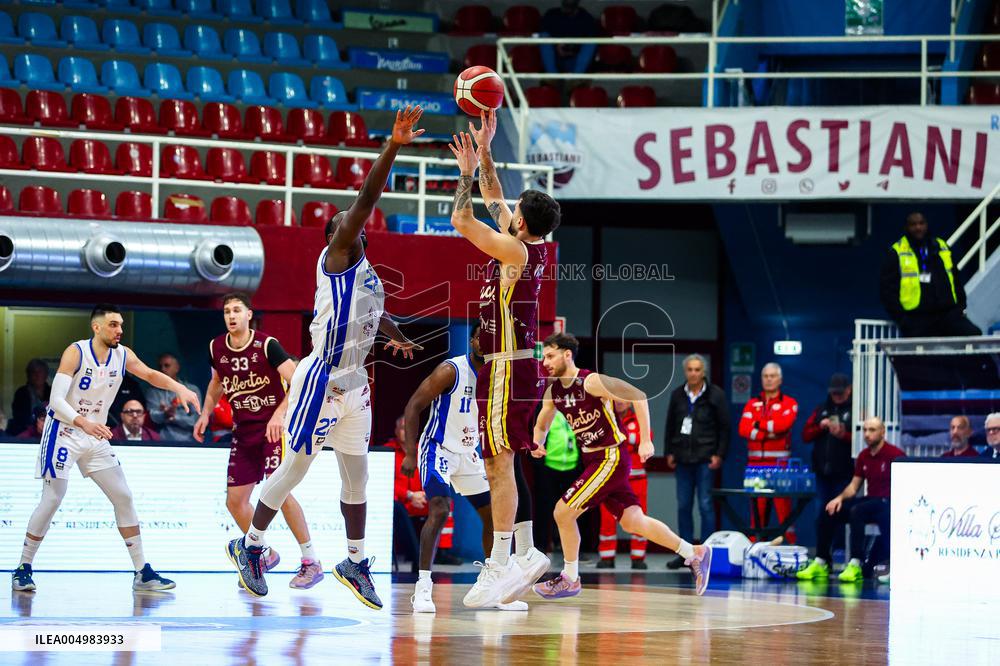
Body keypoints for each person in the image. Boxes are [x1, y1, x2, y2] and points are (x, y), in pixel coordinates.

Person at [226, 106, 425, 608]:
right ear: (337, 235)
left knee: (357, 477)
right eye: (343, 221)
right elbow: (367, 198)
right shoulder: (335, 258)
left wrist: (397, 335)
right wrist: (394, 144)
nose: (351, 221)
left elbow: (375, 316)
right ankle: (250, 547)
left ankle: (355, 561)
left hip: (356, 385)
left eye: (352, 222)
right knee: (294, 469)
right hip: (320, 378)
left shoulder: (368, 272)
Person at [449, 111, 562, 608]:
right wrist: (488, 150)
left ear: (521, 223)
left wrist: (466, 174)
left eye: (513, 210)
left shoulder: (514, 252)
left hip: (506, 368)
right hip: (515, 366)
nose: (507, 208)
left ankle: (499, 565)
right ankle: (526, 552)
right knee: (505, 463)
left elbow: (462, 218)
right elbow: (497, 200)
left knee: (497, 464)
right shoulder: (528, 244)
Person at [11, 303, 200, 593]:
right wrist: (84, 423)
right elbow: (56, 401)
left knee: (123, 496)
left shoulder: (123, 355)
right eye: (113, 324)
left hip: (94, 436)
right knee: (52, 498)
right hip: (64, 431)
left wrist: (180, 389)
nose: (119, 330)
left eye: (121, 325)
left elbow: (150, 374)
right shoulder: (76, 352)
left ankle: (142, 572)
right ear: (96, 327)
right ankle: (23, 567)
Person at [530, 333, 712, 599]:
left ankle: (570, 577)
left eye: (550, 355)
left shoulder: (591, 381)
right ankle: (693, 552)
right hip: (592, 459)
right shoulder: (553, 391)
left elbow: (638, 395)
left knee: (562, 512)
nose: (545, 361)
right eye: (543, 356)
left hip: (610, 457)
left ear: (567, 355)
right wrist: (537, 442)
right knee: (633, 521)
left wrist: (646, 441)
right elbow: (542, 423)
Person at [195, 292, 323, 589]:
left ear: (249, 314)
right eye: (227, 311)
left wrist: (279, 415)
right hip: (244, 430)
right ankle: (263, 554)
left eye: (237, 310)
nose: (231, 315)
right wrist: (205, 412)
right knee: (235, 501)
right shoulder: (216, 347)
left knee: (279, 492)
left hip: (274, 429)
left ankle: (311, 561)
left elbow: (298, 382)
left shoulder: (267, 344)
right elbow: (217, 382)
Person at [401, 323, 527, 613]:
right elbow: (413, 406)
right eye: (480, 338)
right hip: (438, 448)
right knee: (440, 508)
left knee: (496, 518)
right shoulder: (451, 370)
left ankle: (494, 589)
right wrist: (409, 453)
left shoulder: (497, 375)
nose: (485, 343)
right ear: (471, 341)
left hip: (471, 453)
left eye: (491, 340)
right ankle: (422, 588)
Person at [797, 417, 905, 582]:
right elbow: (854, 486)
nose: (867, 434)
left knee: (857, 511)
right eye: (865, 430)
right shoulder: (863, 455)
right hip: (870, 500)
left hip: (887, 502)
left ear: (882, 432)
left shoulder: (895, 454)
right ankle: (822, 561)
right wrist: (838, 499)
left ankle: (855, 562)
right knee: (830, 510)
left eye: (872, 430)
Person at [664, 354, 729, 569]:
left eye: (697, 370)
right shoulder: (677, 395)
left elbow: (724, 427)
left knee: (705, 505)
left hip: (705, 458)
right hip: (682, 458)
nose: (693, 373)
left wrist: (719, 454)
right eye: (690, 369)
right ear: (686, 372)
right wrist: (669, 451)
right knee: (683, 506)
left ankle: (706, 553)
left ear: (704, 372)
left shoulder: (716, 395)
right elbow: (670, 424)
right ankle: (686, 553)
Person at [879, 212, 981, 338]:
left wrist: (960, 307)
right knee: (918, 355)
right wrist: (902, 319)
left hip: (947, 314)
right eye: (913, 224)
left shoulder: (941, 246)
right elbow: (887, 289)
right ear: (906, 227)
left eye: (921, 223)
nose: (918, 227)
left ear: (926, 225)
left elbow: (955, 278)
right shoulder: (897, 251)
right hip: (917, 318)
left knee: (974, 335)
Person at [738, 362, 799, 541]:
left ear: (780, 379)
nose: (769, 379)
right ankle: (755, 549)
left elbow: (783, 425)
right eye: (766, 376)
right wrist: (769, 432)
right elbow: (743, 429)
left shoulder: (789, 403)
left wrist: (757, 426)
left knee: (784, 510)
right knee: (757, 509)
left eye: (773, 376)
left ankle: (788, 547)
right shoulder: (752, 403)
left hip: (780, 466)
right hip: (755, 466)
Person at [597, 399, 655, 570]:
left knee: (639, 517)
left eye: (624, 399)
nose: (620, 402)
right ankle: (607, 557)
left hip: (636, 480)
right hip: (611, 480)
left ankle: (638, 557)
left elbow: (645, 439)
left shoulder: (640, 421)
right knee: (607, 518)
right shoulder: (605, 419)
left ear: (630, 403)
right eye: (616, 399)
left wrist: (622, 437)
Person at [801, 372, 854, 561]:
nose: (837, 397)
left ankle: (839, 551)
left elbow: (862, 439)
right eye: (834, 393)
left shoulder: (856, 410)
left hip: (844, 473)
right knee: (820, 513)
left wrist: (843, 435)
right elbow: (805, 435)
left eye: (840, 393)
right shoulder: (821, 409)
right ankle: (823, 556)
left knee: (840, 514)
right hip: (822, 473)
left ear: (849, 390)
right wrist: (821, 426)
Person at [531, 410, 579, 554]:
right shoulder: (547, 409)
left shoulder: (577, 410)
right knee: (544, 508)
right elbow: (539, 429)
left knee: (573, 511)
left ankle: (570, 548)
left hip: (573, 466)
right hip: (549, 466)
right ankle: (541, 545)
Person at [388, 416, 427, 572]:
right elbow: (385, 482)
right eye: (403, 428)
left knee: (443, 501)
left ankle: (442, 551)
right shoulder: (388, 450)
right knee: (398, 509)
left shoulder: (423, 451)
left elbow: (431, 475)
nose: (407, 432)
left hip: (422, 499)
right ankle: (418, 561)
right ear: (397, 431)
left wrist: (424, 494)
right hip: (401, 501)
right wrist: (410, 495)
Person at [146, 353, 202, 441]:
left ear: (177, 368)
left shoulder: (192, 390)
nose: (162, 369)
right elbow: (151, 418)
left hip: (189, 442)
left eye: (166, 366)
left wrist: (174, 417)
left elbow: (195, 421)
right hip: (160, 442)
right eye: (160, 366)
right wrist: (165, 414)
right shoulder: (153, 392)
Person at [540, 0, 599, 73]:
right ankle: (552, 76)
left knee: (591, 41)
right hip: (555, 60)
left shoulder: (587, 19)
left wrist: (572, 50)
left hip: (576, 61)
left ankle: (575, 78)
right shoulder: (551, 15)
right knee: (544, 36)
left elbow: (590, 47)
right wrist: (556, 46)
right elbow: (543, 38)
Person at [8, 359, 51, 436]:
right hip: (26, 435)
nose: (37, 375)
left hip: (49, 433)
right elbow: (19, 417)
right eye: (34, 372)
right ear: (28, 375)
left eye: (40, 372)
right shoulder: (21, 393)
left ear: (46, 374)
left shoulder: (52, 392)